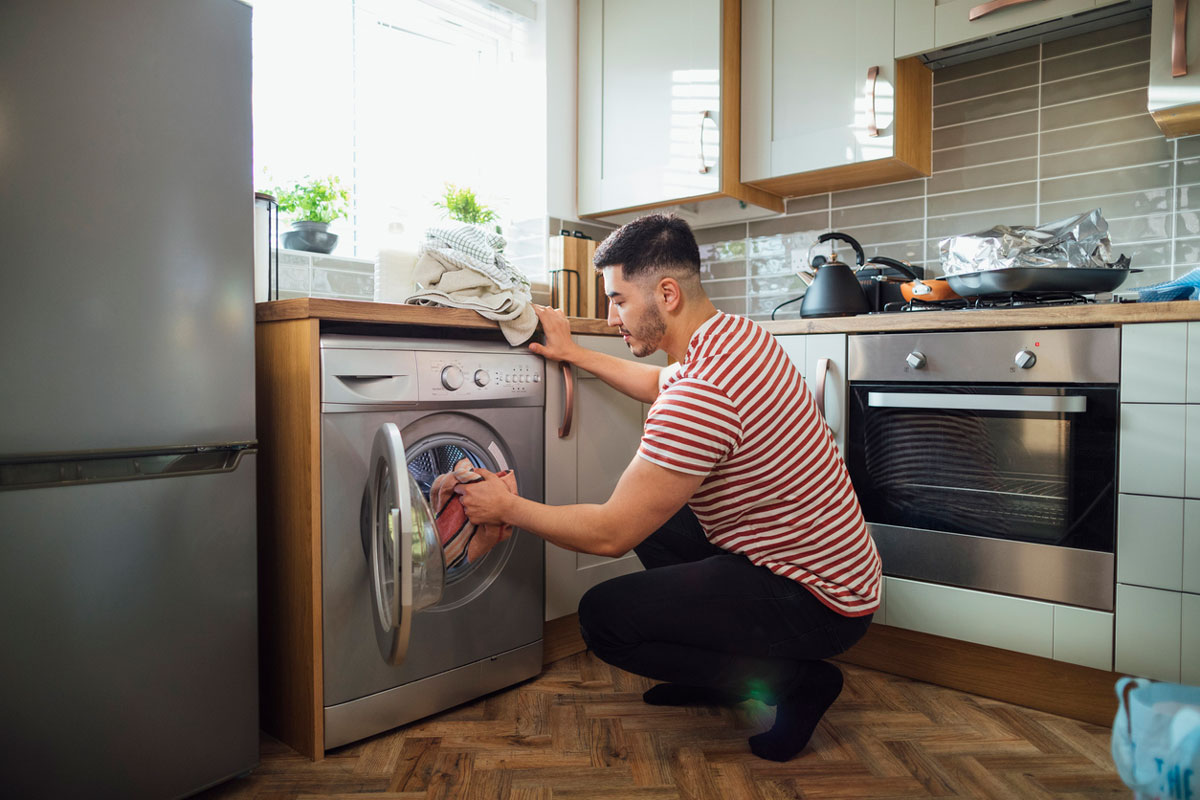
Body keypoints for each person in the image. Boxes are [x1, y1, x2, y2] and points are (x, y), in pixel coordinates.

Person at [454, 213, 882, 762]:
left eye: (618, 300)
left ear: (667, 293)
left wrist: (507, 506)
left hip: (821, 602)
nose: (611, 319)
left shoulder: (704, 392)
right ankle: (727, 675)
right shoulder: (736, 337)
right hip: (830, 567)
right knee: (656, 524)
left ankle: (794, 683)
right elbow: (658, 382)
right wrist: (573, 353)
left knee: (605, 619)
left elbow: (609, 533)